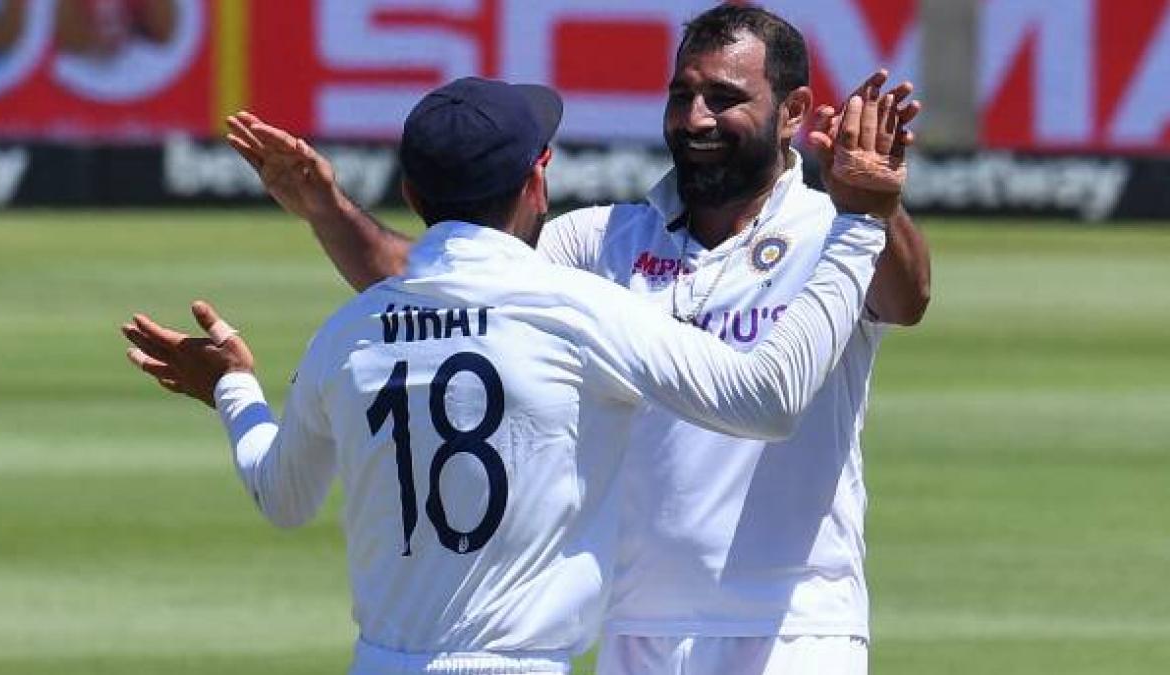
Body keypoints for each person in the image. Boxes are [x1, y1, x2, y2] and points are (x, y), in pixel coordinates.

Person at [223, 6, 931, 674]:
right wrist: (326, 206)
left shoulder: (829, 229)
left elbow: (907, 298)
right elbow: (446, 281)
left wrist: (874, 208)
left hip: (797, 621)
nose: (694, 118)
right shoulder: (604, 238)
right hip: (636, 622)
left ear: (796, 112)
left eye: (723, 98)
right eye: (680, 95)